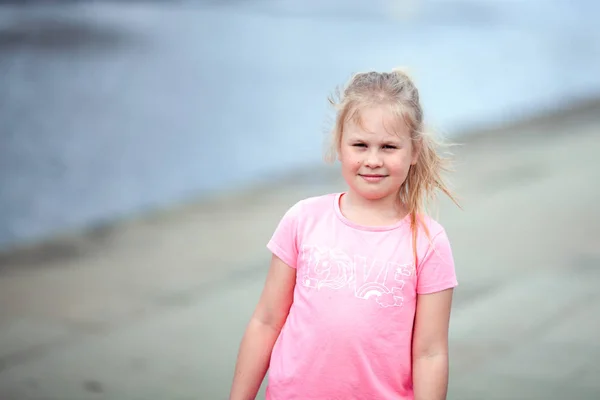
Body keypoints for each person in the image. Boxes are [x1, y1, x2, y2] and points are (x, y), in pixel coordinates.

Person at [229, 68, 461, 400]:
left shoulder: (428, 242)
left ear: (414, 151)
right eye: (360, 145)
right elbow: (266, 321)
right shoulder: (303, 219)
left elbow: (430, 353)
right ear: (340, 144)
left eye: (389, 147)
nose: (373, 159)